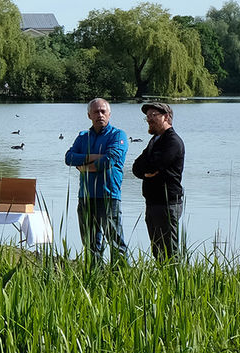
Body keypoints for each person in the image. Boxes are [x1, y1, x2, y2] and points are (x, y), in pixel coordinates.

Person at [64, 97, 128, 264]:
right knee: (91, 244)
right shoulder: (83, 137)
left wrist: (84, 166)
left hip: (108, 196)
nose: (100, 115)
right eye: (96, 112)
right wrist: (93, 157)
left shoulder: (118, 135)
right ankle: (94, 277)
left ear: (109, 114)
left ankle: (121, 278)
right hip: (86, 196)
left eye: (103, 111)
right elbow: (69, 158)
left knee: (116, 243)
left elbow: (109, 160)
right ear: (89, 115)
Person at [131, 100, 185, 260]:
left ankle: (175, 282)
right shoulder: (155, 140)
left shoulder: (172, 141)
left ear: (166, 117)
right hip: (153, 202)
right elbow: (136, 167)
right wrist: (146, 172)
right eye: (147, 116)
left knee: (169, 251)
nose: (149, 119)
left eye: (153, 115)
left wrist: (147, 169)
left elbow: (154, 165)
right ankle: (163, 282)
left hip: (167, 203)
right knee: (157, 251)